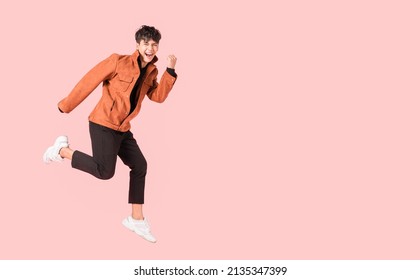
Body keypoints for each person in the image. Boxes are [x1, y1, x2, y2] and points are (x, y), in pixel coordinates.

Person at [43, 25, 177, 243]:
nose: (150, 48)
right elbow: (89, 80)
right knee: (105, 172)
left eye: (154, 45)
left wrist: (169, 72)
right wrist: (66, 105)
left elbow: (157, 97)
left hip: (123, 129)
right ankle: (62, 150)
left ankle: (136, 219)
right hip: (103, 123)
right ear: (137, 45)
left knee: (140, 166)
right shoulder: (118, 61)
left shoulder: (151, 72)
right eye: (146, 44)